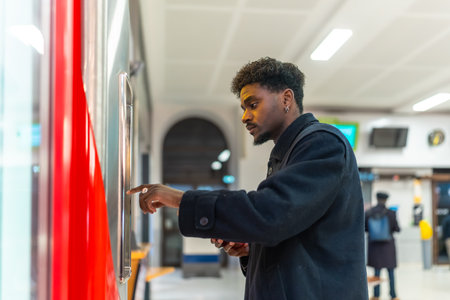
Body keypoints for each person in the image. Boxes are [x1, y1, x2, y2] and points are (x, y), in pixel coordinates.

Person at [128, 57, 368, 299]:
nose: (245, 116)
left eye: (252, 104)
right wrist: (253, 250)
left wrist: (182, 198)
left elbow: (272, 214)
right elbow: (289, 230)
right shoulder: (285, 156)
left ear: (286, 99)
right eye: (244, 108)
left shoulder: (323, 143)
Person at [365, 192, 400, 300]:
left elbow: (365, 228)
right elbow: (397, 229)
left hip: (374, 247)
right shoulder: (391, 213)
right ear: (386, 200)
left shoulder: (369, 212)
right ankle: (393, 295)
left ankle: (376, 296)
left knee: (376, 271)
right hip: (388, 246)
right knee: (391, 272)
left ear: (377, 199)